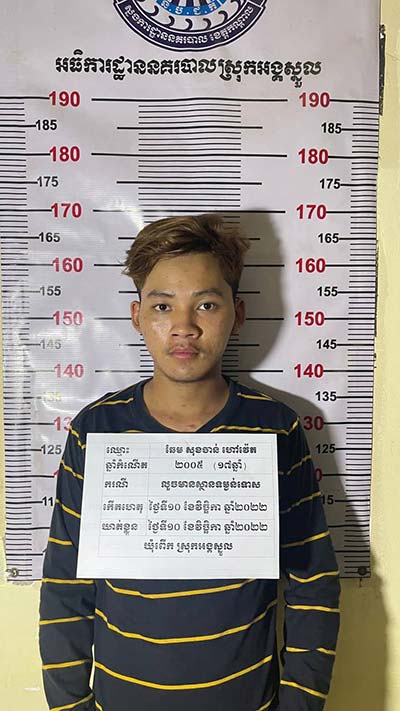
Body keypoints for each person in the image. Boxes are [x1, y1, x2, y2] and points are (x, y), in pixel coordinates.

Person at [39, 214, 340, 711]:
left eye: (206, 304)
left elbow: (313, 584)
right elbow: (64, 587)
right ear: (137, 316)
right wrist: (71, 705)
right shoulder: (95, 430)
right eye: (162, 306)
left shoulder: (276, 429)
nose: (184, 326)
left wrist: (299, 704)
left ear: (237, 314)